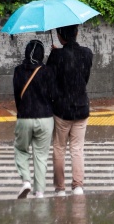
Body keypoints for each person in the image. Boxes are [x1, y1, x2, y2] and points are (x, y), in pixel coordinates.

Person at [46, 25, 93, 196]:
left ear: (59, 36)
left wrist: (55, 54)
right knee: (77, 148)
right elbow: (84, 78)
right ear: (77, 33)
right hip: (81, 106)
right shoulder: (87, 53)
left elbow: (50, 79)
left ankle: (60, 188)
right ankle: (78, 185)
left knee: (59, 147)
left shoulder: (56, 55)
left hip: (61, 109)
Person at [13, 39, 55, 199]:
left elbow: (17, 96)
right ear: (42, 54)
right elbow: (53, 95)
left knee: (21, 150)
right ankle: (40, 192)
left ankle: (26, 181)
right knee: (41, 156)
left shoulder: (18, 70)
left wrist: (22, 111)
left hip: (24, 116)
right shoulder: (48, 71)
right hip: (45, 117)